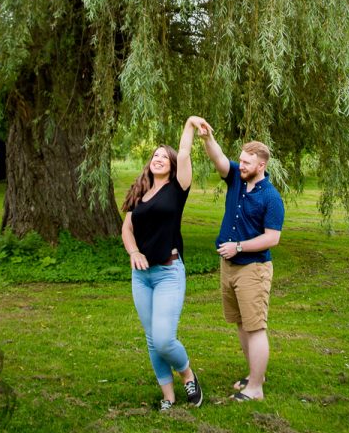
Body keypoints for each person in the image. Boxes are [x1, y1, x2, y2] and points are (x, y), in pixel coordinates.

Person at [192, 117, 285, 400]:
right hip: (229, 267)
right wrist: (207, 138)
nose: (241, 165)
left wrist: (239, 247)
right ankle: (255, 374)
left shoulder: (271, 197)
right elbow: (219, 158)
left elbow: (272, 238)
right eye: (241, 160)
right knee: (241, 323)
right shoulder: (235, 177)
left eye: (247, 162)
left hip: (253, 268)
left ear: (261, 165)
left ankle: (255, 388)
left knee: (255, 327)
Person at [121, 118, 203, 411]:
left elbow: (183, 152)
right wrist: (133, 252)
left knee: (164, 338)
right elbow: (127, 229)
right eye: (154, 155)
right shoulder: (139, 190)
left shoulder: (177, 189)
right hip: (141, 276)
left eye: (163, 157)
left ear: (171, 165)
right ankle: (167, 397)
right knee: (152, 339)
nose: (158, 159)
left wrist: (190, 125)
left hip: (169, 271)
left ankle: (187, 375)